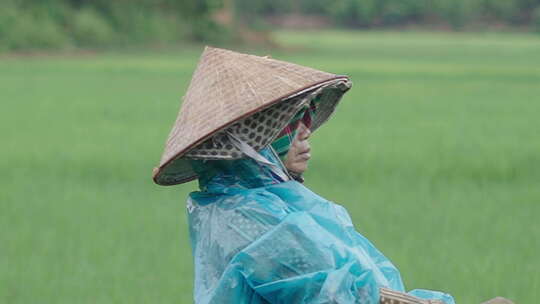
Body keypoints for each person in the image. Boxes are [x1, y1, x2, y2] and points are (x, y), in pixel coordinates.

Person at [153, 47, 455, 304]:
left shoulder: (251, 204)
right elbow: (346, 297)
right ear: (250, 143)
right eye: (290, 123)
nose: (306, 131)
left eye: (306, 117)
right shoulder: (252, 217)